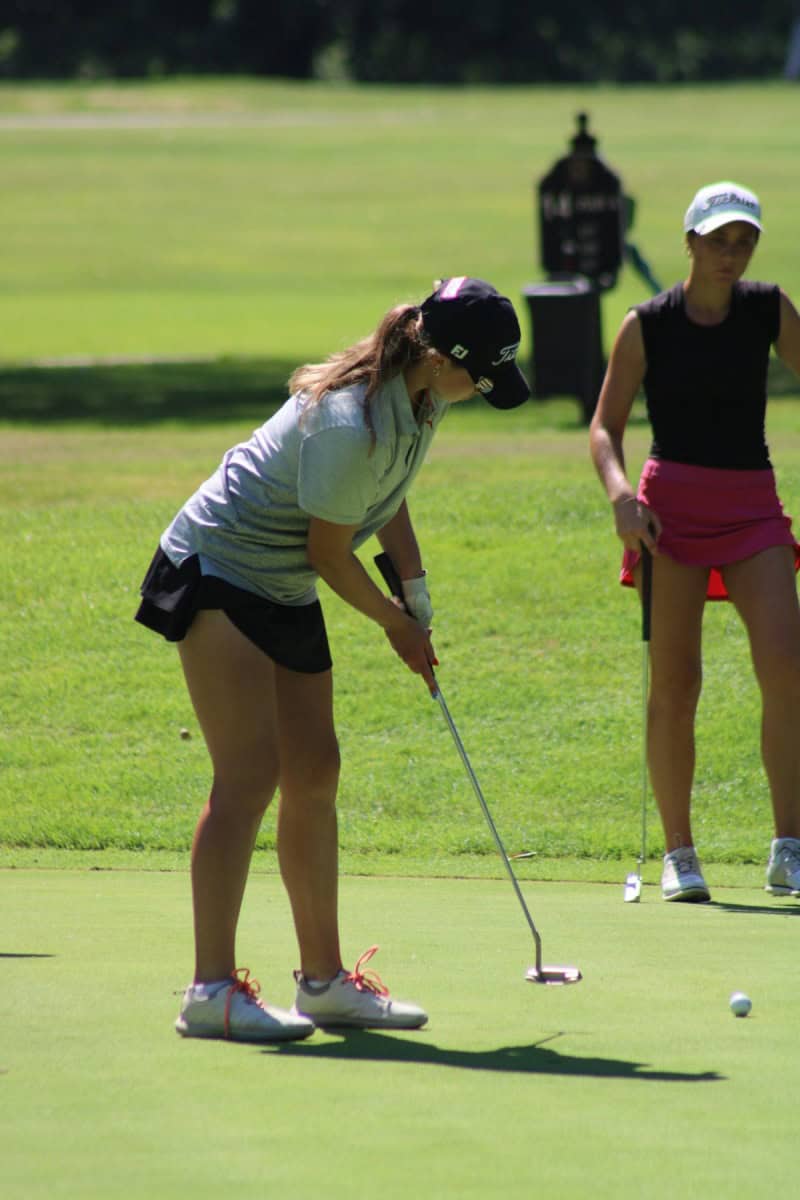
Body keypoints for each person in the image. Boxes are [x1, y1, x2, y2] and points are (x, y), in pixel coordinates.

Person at [135, 276, 530, 1041]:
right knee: (249, 774)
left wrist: (413, 586)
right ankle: (209, 992)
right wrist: (395, 626)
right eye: (480, 377)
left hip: (281, 579)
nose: (482, 392)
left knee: (315, 770)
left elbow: (389, 492)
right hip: (218, 565)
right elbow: (330, 553)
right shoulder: (348, 421)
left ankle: (323, 983)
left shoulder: (423, 399)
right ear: (441, 358)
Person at [590, 181, 800, 903]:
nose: (730, 255)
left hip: (752, 508)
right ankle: (679, 853)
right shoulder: (647, 324)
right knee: (677, 684)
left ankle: (789, 848)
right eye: (717, 241)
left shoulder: (768, 308)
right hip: (669, 517)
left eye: (743, 242)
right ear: (689, 243)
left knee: (788, 669)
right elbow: (604, 428)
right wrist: (620, 495)